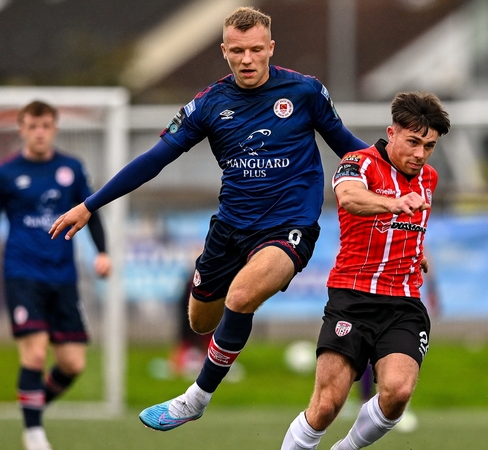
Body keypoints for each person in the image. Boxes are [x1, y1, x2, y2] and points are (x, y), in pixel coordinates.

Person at [48, 6, 368, 431]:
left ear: (271, 48)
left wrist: (398, 174)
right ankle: (205, 358)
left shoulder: (306, 92)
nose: (248, 59)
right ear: (224, 51)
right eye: (238, 51)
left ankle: (195, 398)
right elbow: (154, 160)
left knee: (242, 295)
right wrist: (90, 204)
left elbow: (350, 147)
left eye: (256, 49)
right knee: (201, 319)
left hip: (290, 226)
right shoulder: (208, 104)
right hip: (229, 230)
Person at [281, 91, 451, 450]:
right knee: (328, 404)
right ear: (392, 133)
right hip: (352, 297)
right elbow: (349, 198)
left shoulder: (429, 179)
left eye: (429, 146)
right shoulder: (357, 162)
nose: (420, 154)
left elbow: (411, 231)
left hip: (404, 302)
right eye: (414, 142)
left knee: (398, 393)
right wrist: (393, 204)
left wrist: (418, 256)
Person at [0, 100, 111, 450]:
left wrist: (102, 251)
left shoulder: (72, 168)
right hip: (22, 272)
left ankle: (32, 405)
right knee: (33, 354)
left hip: (62, 275)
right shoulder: (3, 174)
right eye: (33, 126)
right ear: (21, 129)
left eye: (46, 125)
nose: (40, 132)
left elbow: (90, 212)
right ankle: (34, 434)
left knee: (72, 363)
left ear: (55, 128)